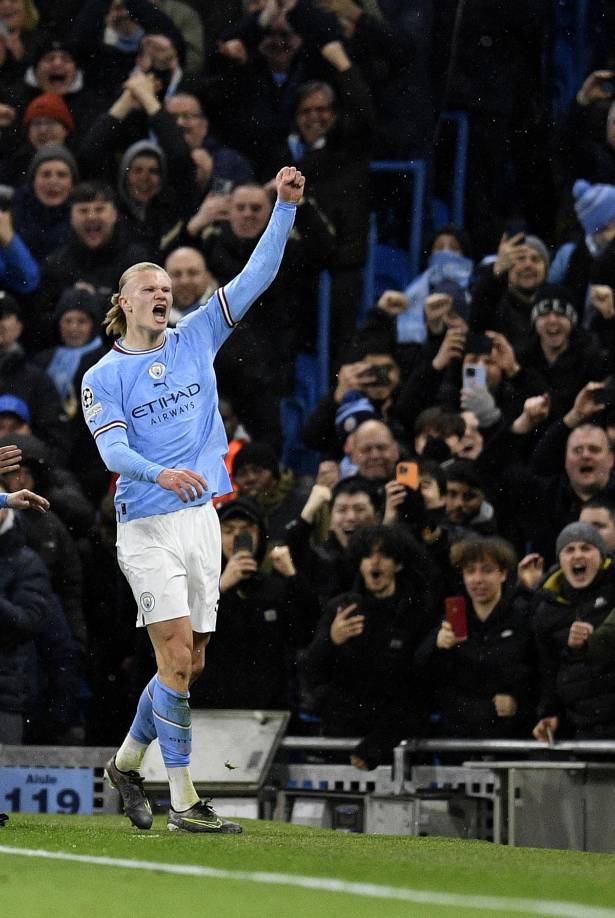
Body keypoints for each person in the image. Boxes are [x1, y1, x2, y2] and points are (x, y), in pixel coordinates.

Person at [81, 164, 304, 834]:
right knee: (175, 657)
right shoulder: (102, 376)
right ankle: (183, 802)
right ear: (123, 303)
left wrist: (284, 208)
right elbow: (113, 454)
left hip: (202, 520)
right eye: (149, 288)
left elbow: (258, 276)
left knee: (190, 662)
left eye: (166, 287)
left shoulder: (197, 334)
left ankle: (124, 763)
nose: (163, 293)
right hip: (147, 524)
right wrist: (160, 473)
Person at [414, 536, 536, 739]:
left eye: (487, 570)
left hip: (509, 734)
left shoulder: (522, 617)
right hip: (459, 734)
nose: (478, 579)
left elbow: (537, 672)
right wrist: (436, 645)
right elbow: (421, 669)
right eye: (470, 571)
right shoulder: (451, 620)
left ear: (503, 574)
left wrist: (518, 699)